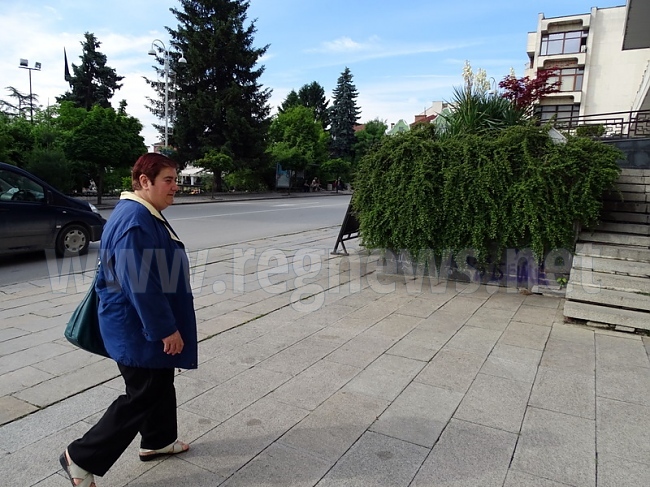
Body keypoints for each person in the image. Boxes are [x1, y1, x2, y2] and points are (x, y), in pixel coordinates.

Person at [60, 153, 198, 487]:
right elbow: (141, 284)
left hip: (135, 322)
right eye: (168, 180)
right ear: (144, 182)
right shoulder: (135, 220)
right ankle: (80, 457)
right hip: (136, 327)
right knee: (145, 391)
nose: (175, 186)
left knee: (159, 381)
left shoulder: (142, 211)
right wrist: (165, 329)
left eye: (175, 179)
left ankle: (158, 440)